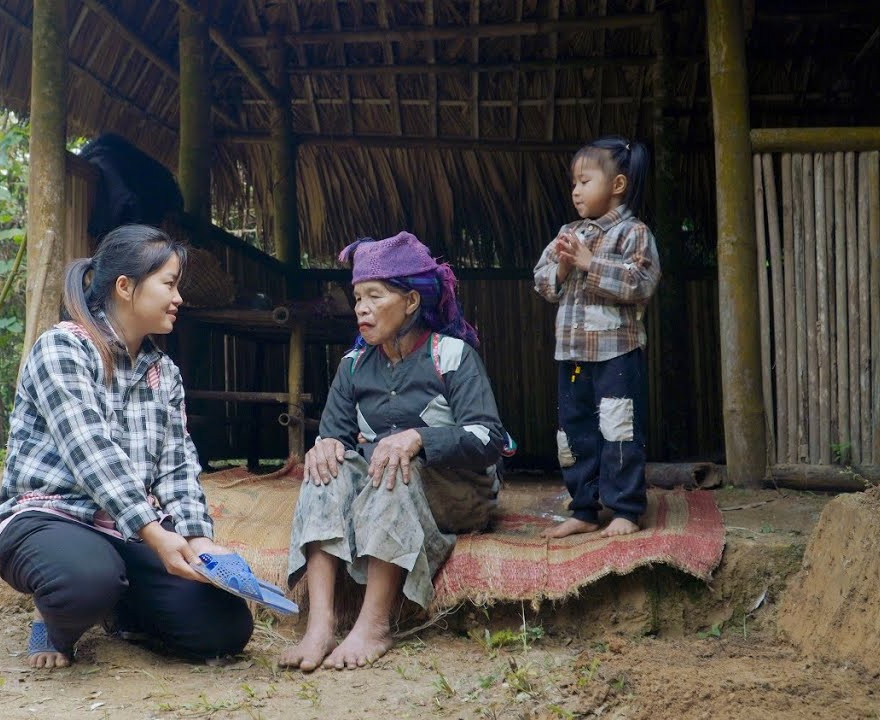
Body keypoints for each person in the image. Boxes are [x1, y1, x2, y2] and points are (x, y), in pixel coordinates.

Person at [0, 224, 254, 668]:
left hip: (125, 530)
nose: (179, 298)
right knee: (84, 581)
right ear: (125, 287)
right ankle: (54, 625)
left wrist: (198, 540)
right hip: (50, 516)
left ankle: (121, 609)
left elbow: (177, 465)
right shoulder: (63, 348)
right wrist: (155, 535)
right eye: (169, 283)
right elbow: (90, 452)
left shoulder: (163, 372)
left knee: (224, 628)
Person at [280, 231, 511, 671]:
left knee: (393, 465)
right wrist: (323, 448)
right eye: (357, 297)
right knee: (325, 467)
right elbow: (336, 442)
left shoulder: (452, 356)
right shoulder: (353, 366)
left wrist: (420, 438)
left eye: (374, 296)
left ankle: (374, 624)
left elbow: (489, 438)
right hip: (384, 493)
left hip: (456, 494)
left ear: (410, 302)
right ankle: (321, 625)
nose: (361, 308)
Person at [531, 136, 661, 540]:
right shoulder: (567, 233)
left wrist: (590, 263)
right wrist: (565, 269)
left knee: (618, 428)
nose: (576, 190)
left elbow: (642, 282)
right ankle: (584, 508)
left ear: (617, 185)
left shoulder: (633, 233)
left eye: (585, 181)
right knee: (573, 432)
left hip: (616, 354)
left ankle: (625, 509)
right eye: (574, 182)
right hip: (571, 355)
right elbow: (541, 281)